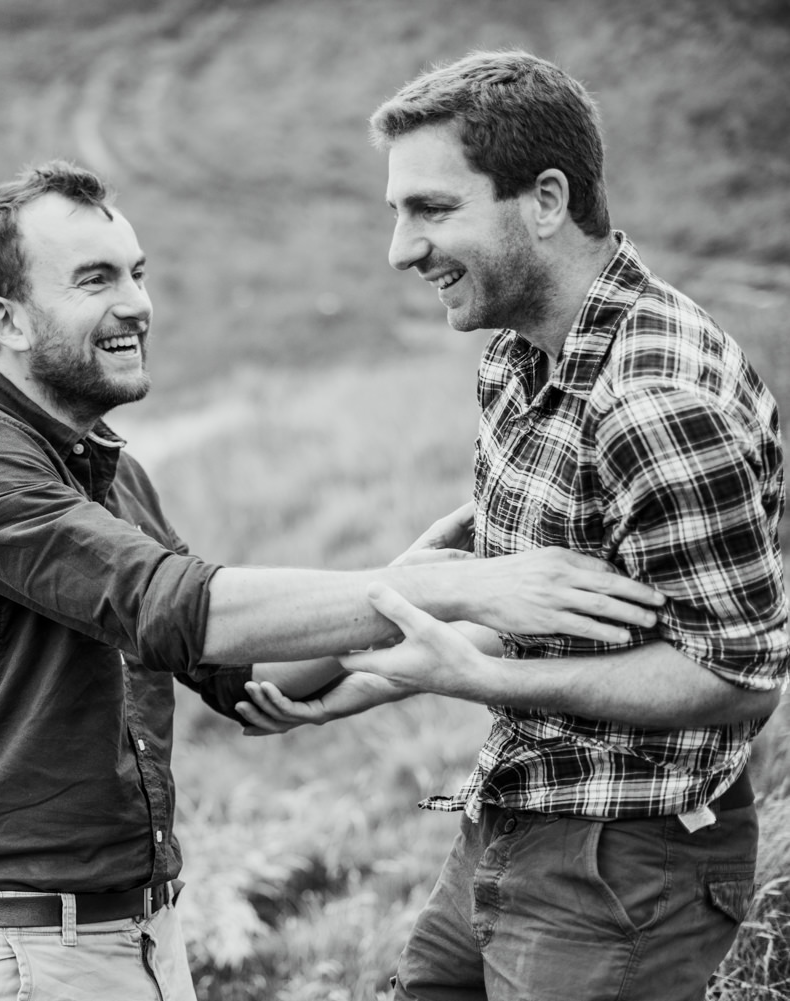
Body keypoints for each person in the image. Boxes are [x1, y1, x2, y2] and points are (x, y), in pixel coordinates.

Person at [0, 159, 667, 1001]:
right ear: (5, 320)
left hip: (137, 938)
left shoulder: (109, 472)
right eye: (95, 279)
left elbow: (248, 679)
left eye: (137, 274)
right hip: (18, 957)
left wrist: (404, 588)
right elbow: (173, 606)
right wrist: (462, 590)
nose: (136, 304)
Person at [241, 51, 787, 1001]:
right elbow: (546, 604)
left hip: (626, 865)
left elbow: (739, 676)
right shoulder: (516, 361)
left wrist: (478, 677)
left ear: (544, 199)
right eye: (397, 213)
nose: (401, 250)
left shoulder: (652, 399)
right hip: (511, 817)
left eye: (432, 209)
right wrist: (380, 676)